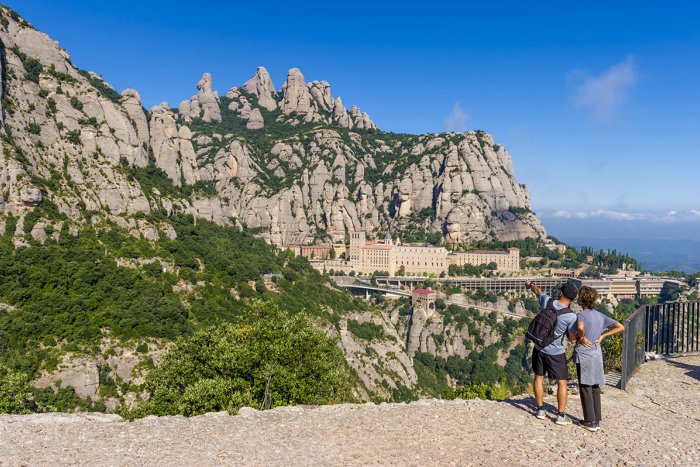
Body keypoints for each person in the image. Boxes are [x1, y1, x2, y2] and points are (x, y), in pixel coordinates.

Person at [568, 286, 624, 432]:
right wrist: (603, 336)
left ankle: (589, 421)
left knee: (585, 386)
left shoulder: (581, 315)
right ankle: (596, 420)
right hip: (596, 352)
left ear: (581, 299)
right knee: (594, 386)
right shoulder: (600, 316)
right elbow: (620, 326)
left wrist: (581, 336)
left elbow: (579, 327)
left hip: (584, 353)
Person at [525, 280, 578, 425]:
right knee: (562, 383)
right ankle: (560, 415)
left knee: (539, 378)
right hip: (556, 352)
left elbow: (538, 291)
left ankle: (540, 410)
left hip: (539, 348)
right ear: (572, 299)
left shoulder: (547, 302)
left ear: (561, 293)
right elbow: (572, 339)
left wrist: (530, 285)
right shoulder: (571, 316)